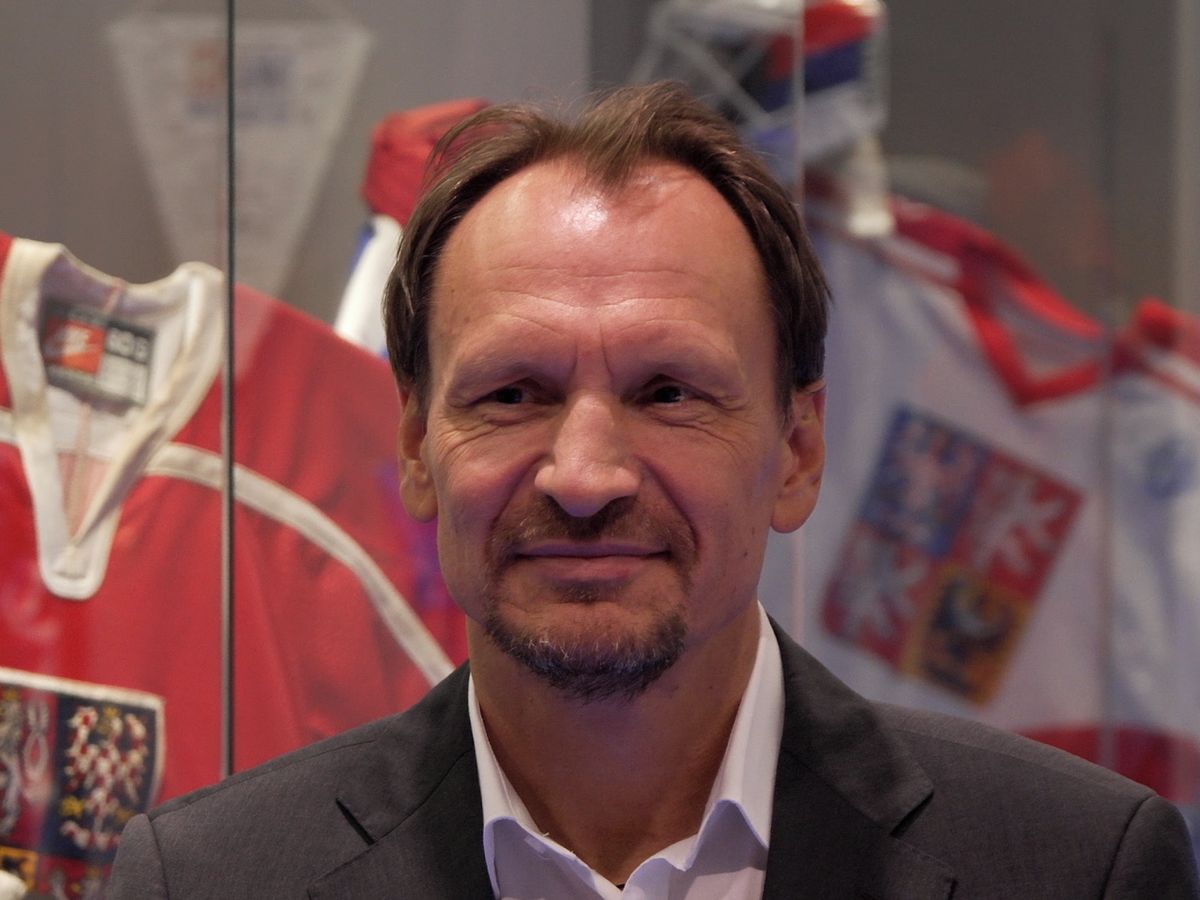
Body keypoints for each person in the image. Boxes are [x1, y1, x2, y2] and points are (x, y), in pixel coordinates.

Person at [108, 81, 1199, 899]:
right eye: (512, 394)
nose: (584, 477)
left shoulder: (1075, 870)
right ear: (413, 446)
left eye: (669, 392)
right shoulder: (206, 882)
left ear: (796, 451)